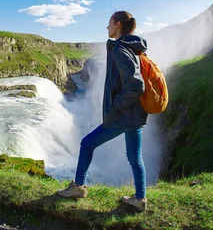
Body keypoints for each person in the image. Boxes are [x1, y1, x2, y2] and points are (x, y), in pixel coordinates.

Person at [57, 11, 148, 212]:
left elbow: (136, 85)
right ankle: (140, 199)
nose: (107, 27)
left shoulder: (119, 49)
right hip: (135, 113)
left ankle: (78, 187)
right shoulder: (133, 47)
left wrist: (116, 105)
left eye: (109, 23)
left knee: (87, 143)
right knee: (135, 157)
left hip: (123, 115)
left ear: (117, 25)